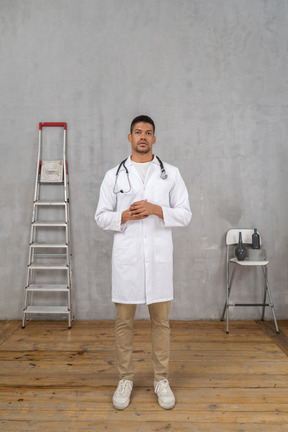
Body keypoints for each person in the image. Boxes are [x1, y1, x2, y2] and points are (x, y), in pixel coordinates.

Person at [95, 115, 191, 410]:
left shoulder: (170, 174)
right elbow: (101, 216)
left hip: (159, 261)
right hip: (128, 261)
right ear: (129, 137)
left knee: (161, 323)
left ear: (154, 138)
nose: (143, 137)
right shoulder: (114, 175)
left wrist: (156, 209)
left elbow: (185, 214)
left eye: (148, 133)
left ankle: (161, 379)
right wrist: (123, 216)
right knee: (123, 323)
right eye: (138, 132)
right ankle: (125, 378)